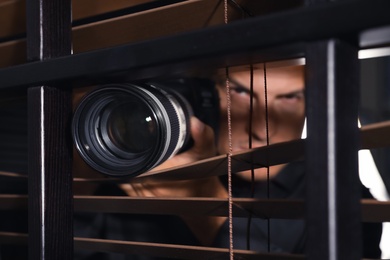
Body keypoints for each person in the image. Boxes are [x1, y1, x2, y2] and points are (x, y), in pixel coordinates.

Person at [72, 64, 382, 259]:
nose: (262, 130)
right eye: (241, 91)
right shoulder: (136, 163)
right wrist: (78, 170)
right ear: (204, 95)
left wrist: (206, 207)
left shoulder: (345, 201)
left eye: (290, 97)